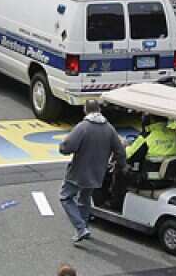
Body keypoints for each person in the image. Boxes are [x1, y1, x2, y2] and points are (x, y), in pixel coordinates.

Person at [58, 99, 127, 244]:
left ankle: (81, 228)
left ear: (85, 110)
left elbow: (66, 147)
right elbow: (120, 150)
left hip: (78, 172)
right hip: (97, 173)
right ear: (99, 110)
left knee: (66, 197)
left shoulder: (83, 127)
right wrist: (121, 165)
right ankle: (83, 228)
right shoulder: (109, 128)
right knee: (84, 199)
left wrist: (63, 147)